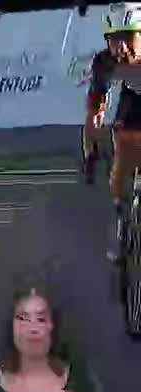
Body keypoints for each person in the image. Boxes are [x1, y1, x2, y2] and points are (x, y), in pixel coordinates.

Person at [84, 3, 141, 260]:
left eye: (128, 38)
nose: (122, 48)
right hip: (133, 102)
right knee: (124, 144)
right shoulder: (104, 62)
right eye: (114, 40)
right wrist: (91, 151)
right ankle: (121, 216)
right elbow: (95, 111)